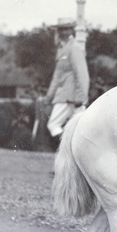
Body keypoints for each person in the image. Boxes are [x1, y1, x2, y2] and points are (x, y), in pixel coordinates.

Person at [44, 17, 90, 147]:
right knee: (80, 130)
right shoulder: (62, 49)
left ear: (71, 30)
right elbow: (57, 77)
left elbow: (82, 74)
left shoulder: (74, 48)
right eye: (60, 29)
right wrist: (48, 97)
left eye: (66, 29)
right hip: (64, 96)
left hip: (71, 97)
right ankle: (75, 153)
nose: (62, 32)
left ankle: (70, 150)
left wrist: (81, 98)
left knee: (53, 125)